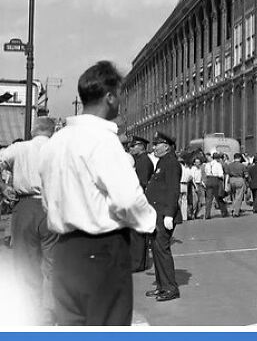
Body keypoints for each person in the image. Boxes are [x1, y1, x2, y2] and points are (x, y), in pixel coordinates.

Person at [39, 61, 156, 326]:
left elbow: (48, 199)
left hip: (65, 251)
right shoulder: (103, 140)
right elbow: (127, 199)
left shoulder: (55, 143)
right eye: (119, 96)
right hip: (102, 250)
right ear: (110, 97)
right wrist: (149, 222)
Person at [0, 116, 57, 322]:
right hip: (54, 207)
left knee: (26, 263)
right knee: (53, 263)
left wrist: (3, 187)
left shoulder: (19, 148)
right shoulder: (61, 148)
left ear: (33, 130)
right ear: (52, 131)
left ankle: (32, 312)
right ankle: (51, 314)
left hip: (25, 206)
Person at [145, 131, 181, 302]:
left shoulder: (171, 163)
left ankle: (170, 288)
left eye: (156, 144)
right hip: (156, 214)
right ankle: (161, 286)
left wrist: (169, 214)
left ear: (166, 146)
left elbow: (173, 190)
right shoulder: (163, 162)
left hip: (164, 214)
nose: (154, 147)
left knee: (162, 251)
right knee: (157, 251)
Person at [129, 136, 154, 273]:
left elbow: (142, 182)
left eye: (133, 146)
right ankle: (139, 262)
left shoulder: (143, 161)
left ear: (141, 147)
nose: (131, 148)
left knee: (137, 233)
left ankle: (137, 263)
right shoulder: (140, 160)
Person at [204, 153, 228, 219]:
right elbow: (221, 174)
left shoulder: (207, 164)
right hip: (216, 180)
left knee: (209, 198)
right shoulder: (218, 164)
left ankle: (207, 214)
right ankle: (224, 212)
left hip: (209, 179)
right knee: (218, 197)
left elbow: (206, 172)